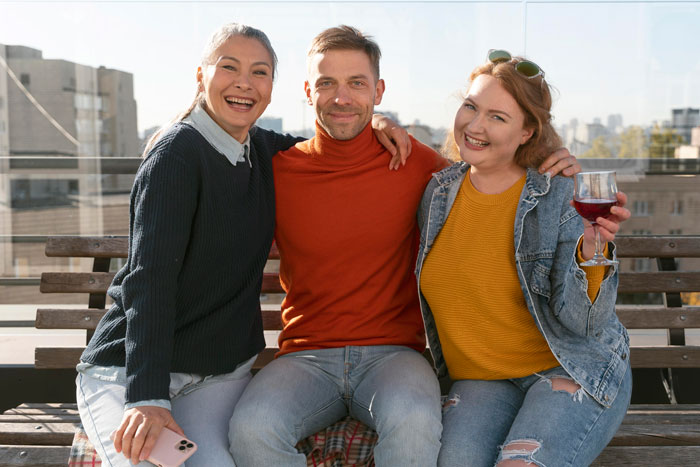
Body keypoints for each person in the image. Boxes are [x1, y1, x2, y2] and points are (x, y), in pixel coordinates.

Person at [228, 27, 581, 467]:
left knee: (415, 422)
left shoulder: (419, 164)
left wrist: (556, 162)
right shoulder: (276, 171)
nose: (342, 97)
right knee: (251, 431)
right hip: (305, 356)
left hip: (395, 355)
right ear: (306, 91)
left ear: (378, 90)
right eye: (326, 83)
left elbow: (494, 170)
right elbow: (218, 147)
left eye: (357, 83)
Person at [74, 23, 407, 467]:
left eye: (260, 72)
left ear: (272, 86)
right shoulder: (176, 156)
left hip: (216, 375)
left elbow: (333, 142)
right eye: (229, 67)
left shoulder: (260, 148)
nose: (244, 83)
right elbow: (148, 282)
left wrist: (378, 120)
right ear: (201, 76)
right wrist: (147, 397)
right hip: (130, 372)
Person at [416, 50, 632, 466]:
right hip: (481, 380)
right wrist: (380, 121)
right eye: (470, 107)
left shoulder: (558, 196)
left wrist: (592, 250)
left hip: (569, 368)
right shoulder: (437, 193)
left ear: (527, 131)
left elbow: (585, 324)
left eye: (498, 117)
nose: (475, 126)